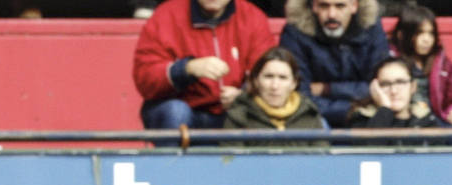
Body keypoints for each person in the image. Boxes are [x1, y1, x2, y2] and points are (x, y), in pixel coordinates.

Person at [132, 0, 275, 130]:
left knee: (254, 108)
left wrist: (243, 95)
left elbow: (269, 73)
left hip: (232, 113)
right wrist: (187, 69)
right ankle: (172, 160)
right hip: (181, 112)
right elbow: (145, 77)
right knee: (176, 111)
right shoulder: (167, 15)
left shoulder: (252, 17)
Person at [279, 0, 389, 127]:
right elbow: (299, 95)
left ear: (354, 6)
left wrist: (326, 89)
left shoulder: (371, 28)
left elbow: (381, 86)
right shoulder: (295, 32)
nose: (332, 14)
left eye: (340, 6)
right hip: (313, 116)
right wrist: (351, 109)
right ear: (313, 6)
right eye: (324, 6)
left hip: (366, 114)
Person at [389, 1, 452, 126]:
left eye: (431, 33)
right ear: (402, 35)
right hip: (401, 123)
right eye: (420, 33)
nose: (427, 39)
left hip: (436, 122)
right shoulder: (390, 62)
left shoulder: (444, 64)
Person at [224, 46, 326, 129]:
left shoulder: (309, 115)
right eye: (268, 76)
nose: (275, 86)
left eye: (283, 78)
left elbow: (321, 153)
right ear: (256, 80)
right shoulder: (238, 117)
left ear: (294, 83)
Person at [345, 55, 441, 126]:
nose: (394, 91)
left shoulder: (426, 119)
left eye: (400, 82)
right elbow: (369, 148)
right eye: (385, 84)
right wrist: (385, 109)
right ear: (375, 88)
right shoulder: (362, 118)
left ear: (413, 87)